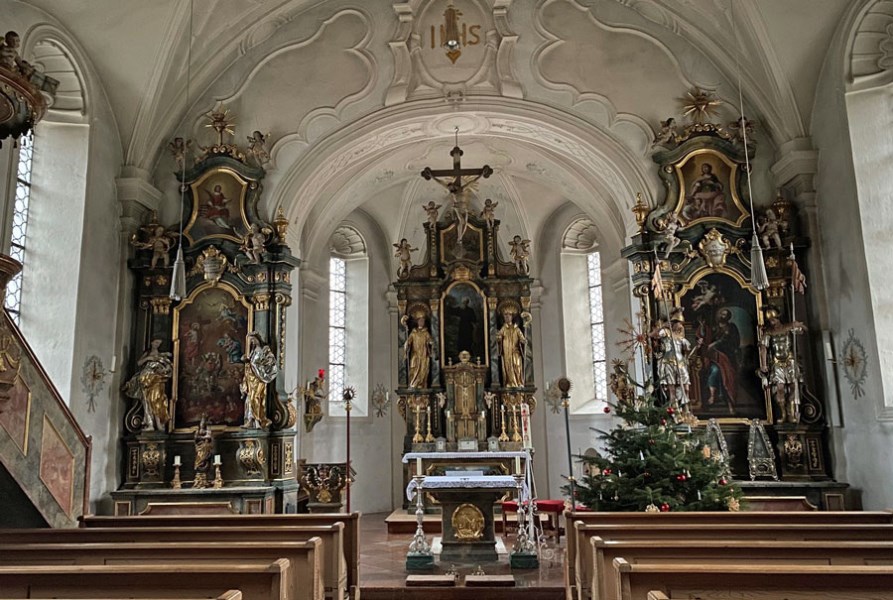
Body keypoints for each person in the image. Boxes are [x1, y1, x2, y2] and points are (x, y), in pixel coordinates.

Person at [759, 308, 805, 424]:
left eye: (773, 320)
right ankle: (783, 413)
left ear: (778, 318)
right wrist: (764, 364)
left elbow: (803, 331)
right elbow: (763, 349)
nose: (772, 322)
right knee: (780, 388)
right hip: (777, 362)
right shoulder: (768, 333)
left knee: (793, 386)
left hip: (790, 360)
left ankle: (791, 410)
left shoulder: (788, 327)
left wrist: (798, 325)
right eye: (770, 321)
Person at [122, 339, 173, 431]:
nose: (157, 345)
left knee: (157, 400)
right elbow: (139, 363)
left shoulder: (161, 355)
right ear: (152, 343)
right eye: (156, 342)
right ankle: (150, 423)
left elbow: (168, 367)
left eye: (159, 343)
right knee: (147, 401)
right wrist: (148, 358)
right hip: (146, 379)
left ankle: (158, 423)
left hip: (157, 379)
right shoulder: (147, 353)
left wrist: (163, 369)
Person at [650, 312, 692, 410]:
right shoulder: (666, 332)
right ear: (673, 324)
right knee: (671, 387)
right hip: (669, 362)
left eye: (682, 324)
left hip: (680, 363)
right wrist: (663, 326)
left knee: (686, 385)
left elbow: (687, 350)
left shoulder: (681, 338)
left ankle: (686, 407)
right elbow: (653, 335)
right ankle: (674, 407)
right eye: (679, 323)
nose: (681, 326)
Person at [241, 332, 279, 429]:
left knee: (256, 397)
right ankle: (250, 420)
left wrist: (256, 365)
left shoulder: (265, 349)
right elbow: (253, 361)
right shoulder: (254, 350)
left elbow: (270, 361)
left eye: (253, 340)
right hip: (251, 377)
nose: (252, 342)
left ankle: (258, 420)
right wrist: (247, 360)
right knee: (250, 398)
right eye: (251, 340)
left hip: (260, 378)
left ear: (258, 338)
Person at [496, 304, 526, 388]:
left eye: (509, 315)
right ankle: (509, 383)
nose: (507, 317)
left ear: (512, 317)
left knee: (517, 366)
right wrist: (498, 338)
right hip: (506, 353)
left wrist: (523, 340)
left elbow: (522, 338)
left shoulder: (516, 329)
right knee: (508, 367)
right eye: (505, 315)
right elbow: (498, 337)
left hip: (515, 351)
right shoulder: (503, 328)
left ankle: (518, 382)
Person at [404, 310, 433, 388]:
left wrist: (431, 343)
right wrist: (406, 345)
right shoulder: (413, 333)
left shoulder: (426, 333)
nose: (421, 322)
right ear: (417, 322)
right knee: (414, 369)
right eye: (420, 321)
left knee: (423, 370)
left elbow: (430, 341)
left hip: (424, 355)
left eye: (423, 321)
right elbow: (408, 341)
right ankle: (413, 384)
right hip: (415, 354)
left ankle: (422, 384)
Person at [193, 414, 213, 488]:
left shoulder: (208, 429)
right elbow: (196, 438)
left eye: (203, 422)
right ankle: (199, 478)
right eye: (201, 422)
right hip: (199, 448)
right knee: (198, 460)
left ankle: (203, 479)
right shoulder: (198, 430)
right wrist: (202, 437)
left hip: (205, 448)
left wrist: (202, 437)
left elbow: (209, 437)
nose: (202, 424)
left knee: (204, 459)